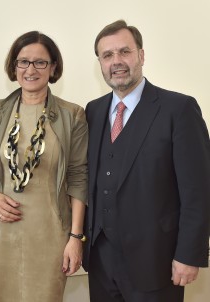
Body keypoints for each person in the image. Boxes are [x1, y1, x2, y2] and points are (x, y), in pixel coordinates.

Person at [82, 19, 210, 302]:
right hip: (101, 263)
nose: (116, 61)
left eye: (124, 52)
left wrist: (189, 254)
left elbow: (198, 192)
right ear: (100, 64)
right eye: (107, 55)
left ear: (141, 55)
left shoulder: (179, 109)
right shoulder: (92, 111)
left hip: (158, 262)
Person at [0, 30, 88, 302]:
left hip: (51, 234)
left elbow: (79, 177)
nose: (31, 69)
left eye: (40, 62)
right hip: (3, 233)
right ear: (14, 66)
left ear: (53, 67)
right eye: (23, 61)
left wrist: (75, 238)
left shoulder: (72, 115)